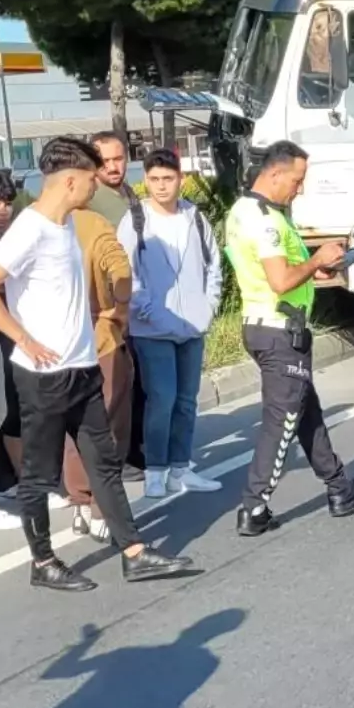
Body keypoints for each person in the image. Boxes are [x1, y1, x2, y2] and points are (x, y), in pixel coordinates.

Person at [0, 136, 196, 593]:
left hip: (82, 369)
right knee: (39, 476)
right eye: (88, 178)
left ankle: (135, 553)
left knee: (105, 464)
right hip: (42, 377)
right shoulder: (31, 228)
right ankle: (42, 561)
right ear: (68, 181)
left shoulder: (68, 225)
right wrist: (22, 338)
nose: (93, 184)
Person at [225, 141, 354, 536]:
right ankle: (254, 507)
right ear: (274, 174)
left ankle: (340, 488)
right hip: (279, 331)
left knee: (306, 412)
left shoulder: (249, 210)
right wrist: (316, 260)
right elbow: (279, 281)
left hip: (269, 326)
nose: (300, 188)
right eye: (296, 180)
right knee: (282, 420)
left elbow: (274, 273)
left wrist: (315, 272)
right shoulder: (264, 219)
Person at [120, 148, 223, 500]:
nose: (161, 186)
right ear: (145, 180)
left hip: (192, 326)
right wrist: (146, 308)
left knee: (186, 400)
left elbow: (214, 264)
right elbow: (125, 273)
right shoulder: (135, 219)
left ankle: (181, 468)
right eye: (154, 179)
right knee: (160, 400)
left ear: (180, 178)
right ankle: (155, 471)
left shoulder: (194, 216)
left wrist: (208, 306)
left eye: (168, 178)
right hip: (152, 328)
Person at [62, 202, 134, 541]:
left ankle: (79, 500)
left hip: (54, 343)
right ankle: (101, 509)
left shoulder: (29, 223)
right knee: (109, 424)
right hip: (98, 335)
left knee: (71, 424)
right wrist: (120, 310)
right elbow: (119, 268)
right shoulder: (93, 222)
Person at [88, 131, 144, 479]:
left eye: (118, 158)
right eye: (104, 161)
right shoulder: (92, 200)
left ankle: (133, 452)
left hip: (136, 303)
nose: (112, 166)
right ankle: (112, 462)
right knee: (112, 390)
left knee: (133, 385)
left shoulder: (128, 193)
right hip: (108, 309)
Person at [0, 170, 22, 530]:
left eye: (7, 204)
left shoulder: (1, 239)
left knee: (3, 412)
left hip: (2, 339)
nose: (2, 211)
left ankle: (9, 483)